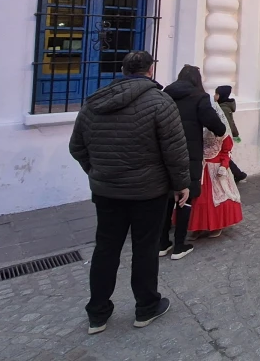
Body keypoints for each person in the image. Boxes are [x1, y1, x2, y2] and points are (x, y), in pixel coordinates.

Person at [69, 50, 188, 335]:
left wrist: (98, 171)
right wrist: (181, 184)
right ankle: (146, 307)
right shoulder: (160, 101)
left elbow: (77, 147)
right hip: (148, 191)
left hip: (108, 191)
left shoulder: (93, 102)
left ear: (123, 71)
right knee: (144, 249)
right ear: (150, 70)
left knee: (106, 249)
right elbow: (174, 150)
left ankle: (97, 313)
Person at [161, 65, 226, 260]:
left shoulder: (165, 94)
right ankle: (179, 245)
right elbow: (215, 124)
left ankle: (162, 243)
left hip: (164, 152)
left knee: (166, 197)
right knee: (184, 199)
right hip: (188, 153)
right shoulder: (199, 97)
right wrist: (220, 131)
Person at [188, 103, 242, 237]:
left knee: (215, 200)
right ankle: (197, 226)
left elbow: (227, 150)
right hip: (199, 168)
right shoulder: (198, 128)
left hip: (216, 170)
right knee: (197, 200)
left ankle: (216, 225)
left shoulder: (223, 132)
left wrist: (224, 166)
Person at [214, 85, 247, 183]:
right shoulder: (224, 106)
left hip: (223, 136)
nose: (214, 96)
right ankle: (238, 174)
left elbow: (228, 123)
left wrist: (233, 134)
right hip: (224, 135)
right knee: (224, 155)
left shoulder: (223, 108)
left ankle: (238, 174)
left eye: (216, 94)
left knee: (223, 155)